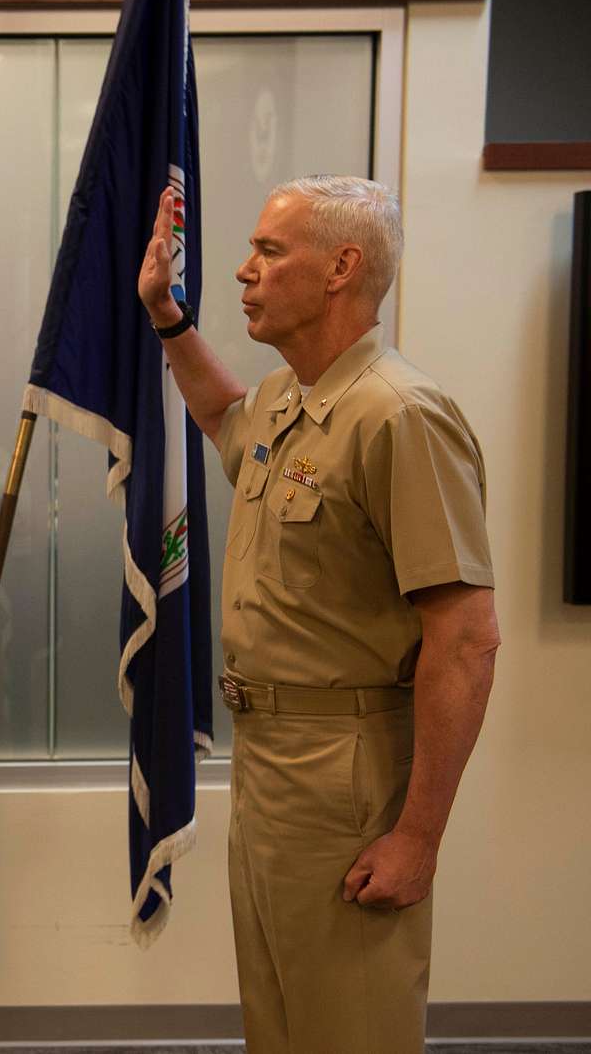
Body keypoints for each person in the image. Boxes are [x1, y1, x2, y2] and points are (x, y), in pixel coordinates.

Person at [137, 176, 500, 1053]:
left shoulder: (398, 415)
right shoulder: (289, 398)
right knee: (282, 1024)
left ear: (341, 267)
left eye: (269, 251)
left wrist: (418, 834)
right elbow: (225, 417)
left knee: (351, 1025)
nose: (243, 270)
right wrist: (169, 322)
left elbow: (465, 636)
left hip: (348, 772)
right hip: (269, 764)